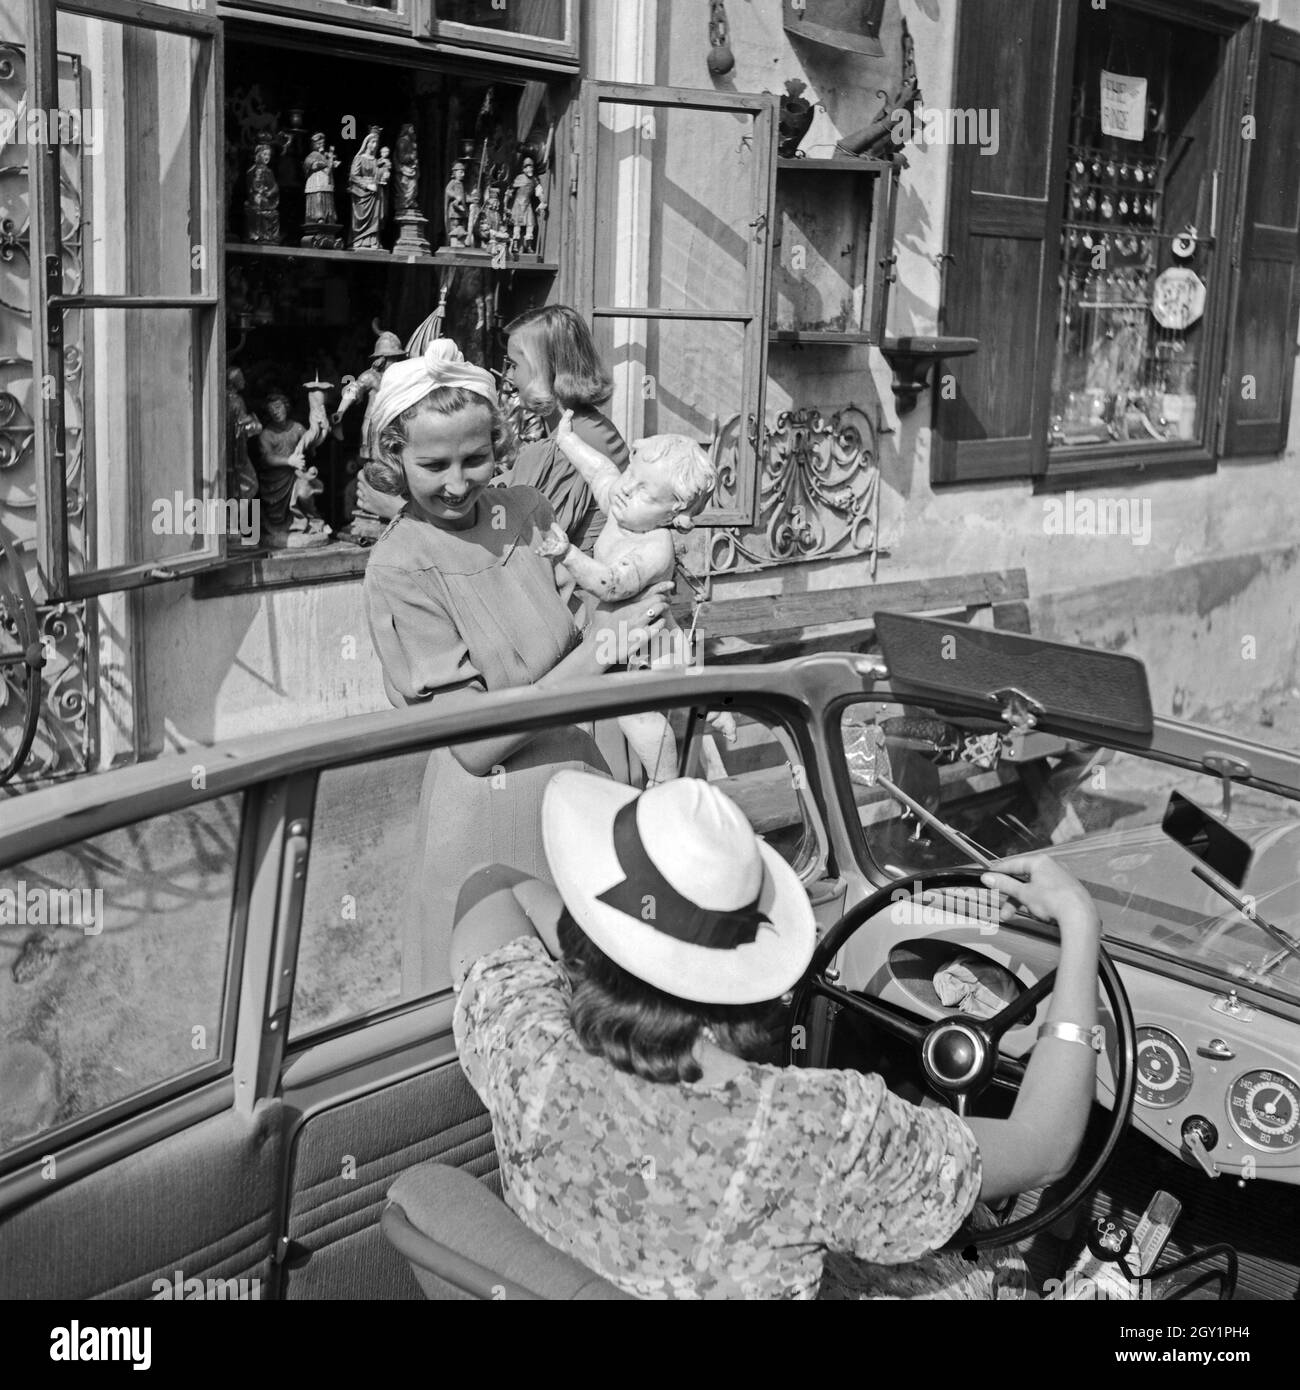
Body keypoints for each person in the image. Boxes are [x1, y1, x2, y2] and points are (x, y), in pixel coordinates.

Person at [450, 771, 1104, 1299]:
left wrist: (608, 938)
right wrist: (1078, 928)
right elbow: (1045, 1146)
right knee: (987, 1265)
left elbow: (490, 884)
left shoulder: (526, 1048)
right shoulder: (816, 1132)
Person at [362, 339, 674, 994]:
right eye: (433, 463)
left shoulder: (527, 513)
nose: (456, 482)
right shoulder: (400, 565)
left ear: (500, 446)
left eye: (475, 458)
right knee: (506, 1016)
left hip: (590, 787)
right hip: (489, 825)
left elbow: (594, 614)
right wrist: (600, 654)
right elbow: (476, 743)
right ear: (394, 457)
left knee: (604, 1011)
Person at [539, 413, 729, 783]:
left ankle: (664, 781)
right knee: (683, 693)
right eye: (631, 474)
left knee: (637, 715)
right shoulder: (625, 510)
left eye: (644, 491)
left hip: (650, 648)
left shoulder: (653, 548)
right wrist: (566, 441)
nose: (625, 488)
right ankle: (715, 734)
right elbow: (599, 471)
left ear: (674, 515)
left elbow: (611, 584)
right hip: (635, 638)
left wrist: (570, 556)